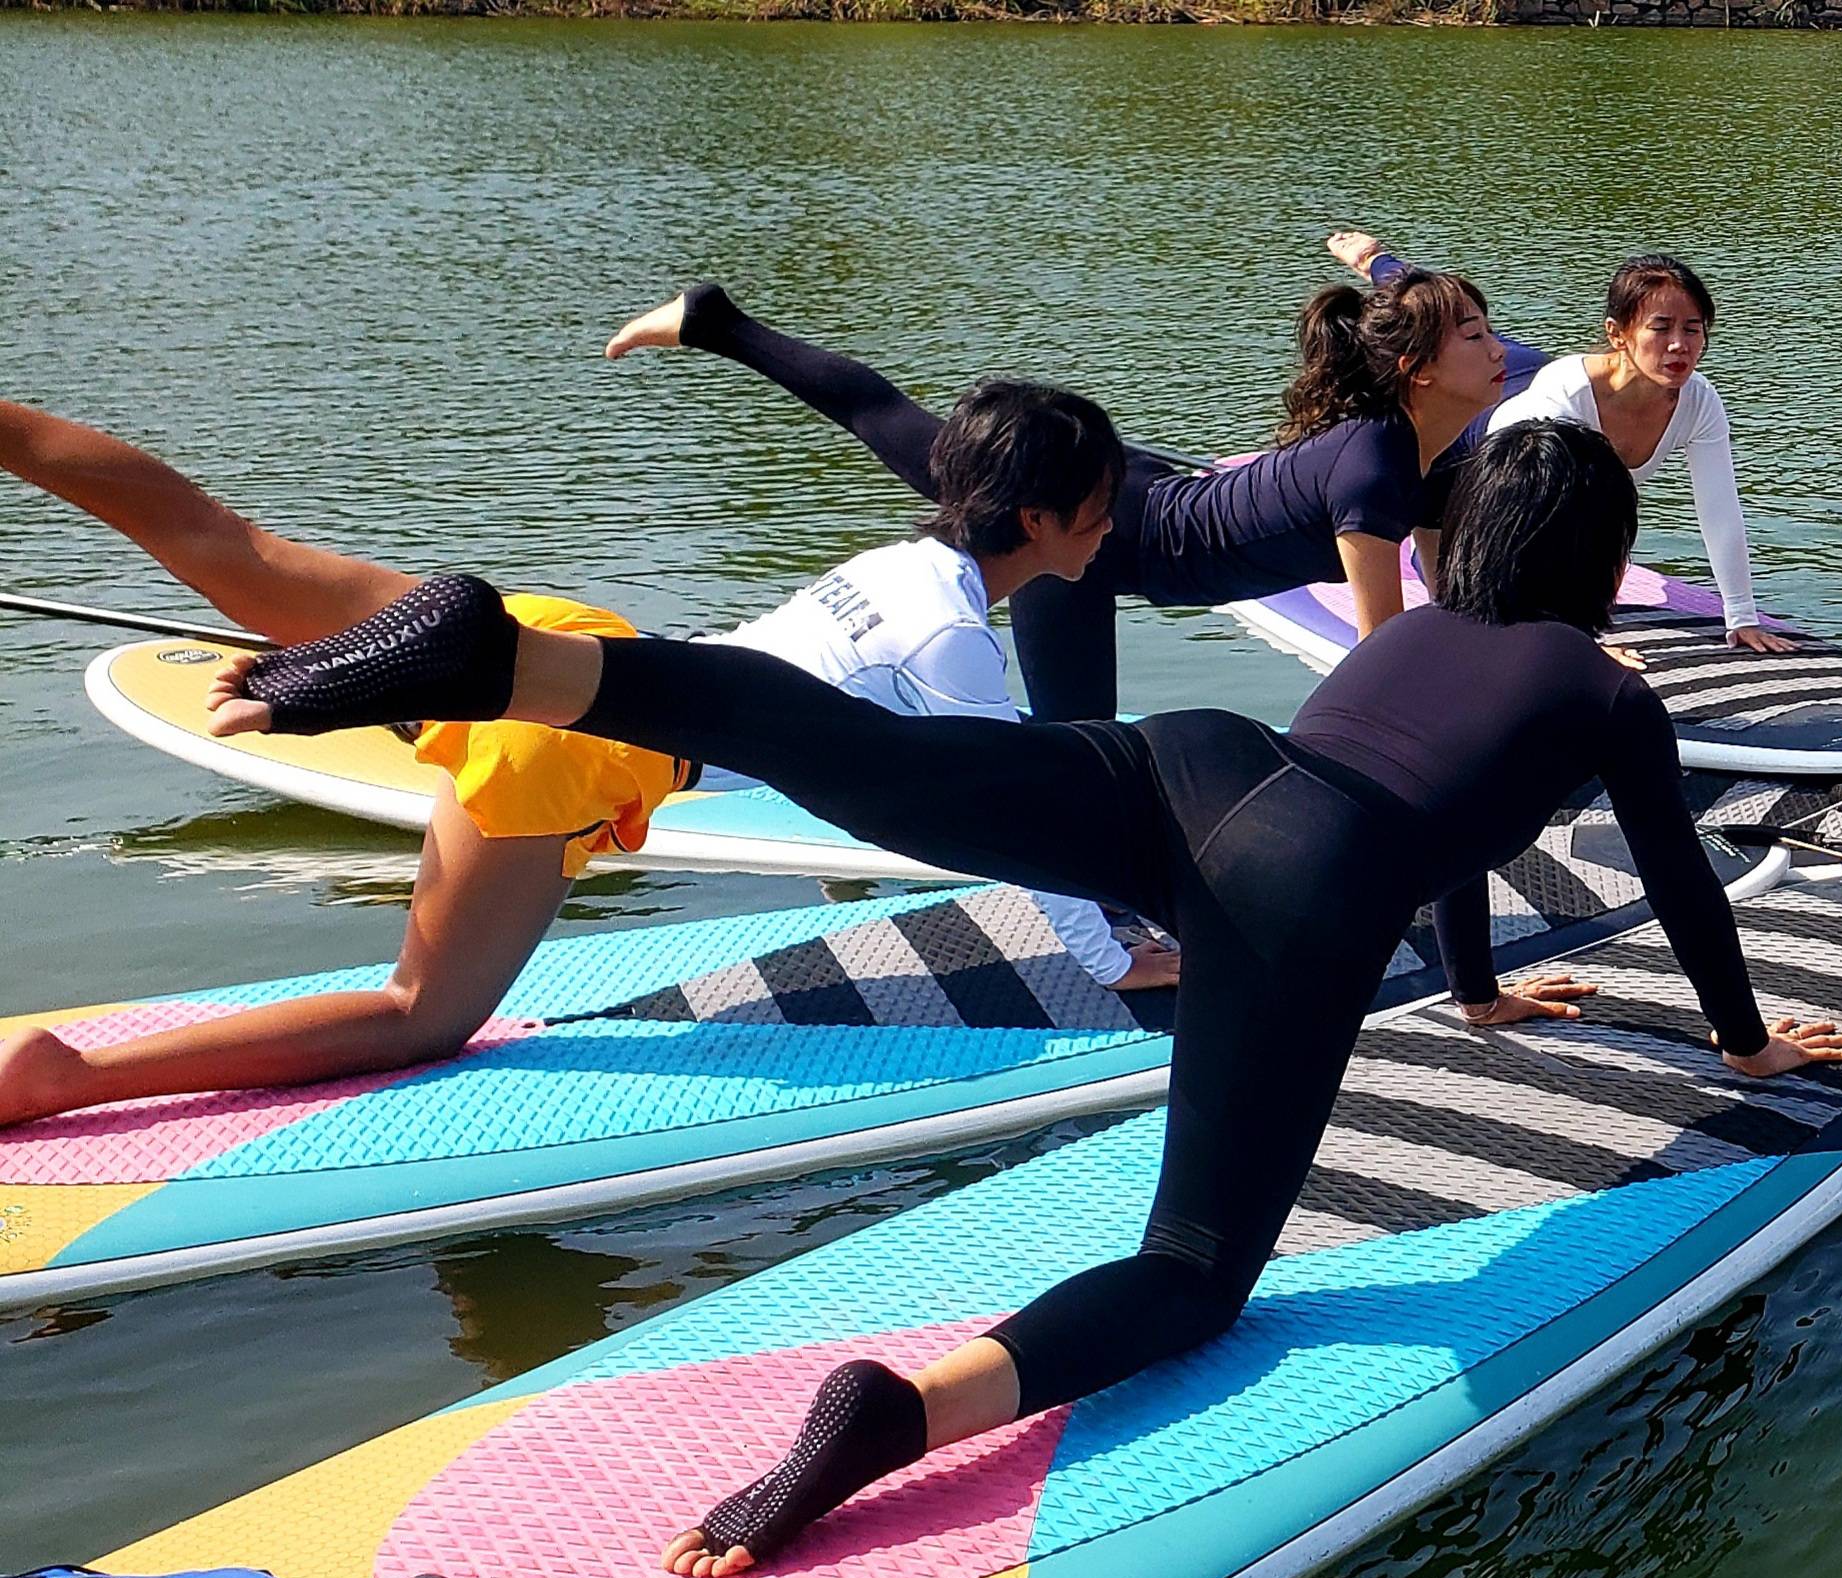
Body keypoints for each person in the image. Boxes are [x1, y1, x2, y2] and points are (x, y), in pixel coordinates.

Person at [210, 419, 1842, 1578]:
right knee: (1194, 1274)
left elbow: (1443, 820)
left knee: (861, 759)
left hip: (1195, 761)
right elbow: (1672, 880)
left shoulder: (1409, 636)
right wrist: (1741, 1041)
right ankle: (904, 1411)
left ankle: (513, 657)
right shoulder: (1600, 684)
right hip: (1295, 880)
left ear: (1468, 534)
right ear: (1604, 552)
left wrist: (1484, 991)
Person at [0, 381, 1170, 1130]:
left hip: (568, 639)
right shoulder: (959, 646)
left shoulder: (897, 566)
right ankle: (67, 1078)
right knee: (419, 1016)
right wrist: (1116, 965)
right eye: (1101, 507)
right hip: (577, 752)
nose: (1112, 529)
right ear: (1034, 521)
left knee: (236, 550)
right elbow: (1030, 841)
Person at [603, 274, 1510, 724]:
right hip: (1087, 528)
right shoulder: (1377, 467)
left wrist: (1542, 654)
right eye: (1475, 333)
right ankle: (713, 321)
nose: (1498, 343)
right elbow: (1383, 652)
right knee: (886, 420)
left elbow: (1452, 603)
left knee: (1079, 739)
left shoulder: (1437, 454)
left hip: (1140, 500)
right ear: (1417, 369)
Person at [1327, 232, 1793, 652]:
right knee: (1435, 322)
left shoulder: (1699, 401)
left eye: (1693, 329)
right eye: (1660, 327)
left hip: (1527, 372)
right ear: (1617, 334)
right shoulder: (1561, 404)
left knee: (1467, 326)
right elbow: (1527, 527)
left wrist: (1741, 616)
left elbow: (1720, 510)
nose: (1679, 345)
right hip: (1468, 455)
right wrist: (1577, 640)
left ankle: (1377, 261)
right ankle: (1378, 263)